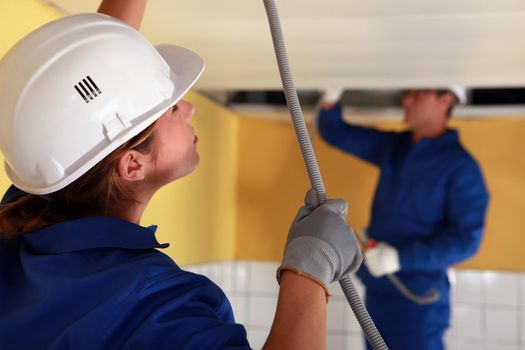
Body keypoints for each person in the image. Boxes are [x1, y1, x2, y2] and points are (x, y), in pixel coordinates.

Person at [0, 1, 363, 349]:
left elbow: (94, 81)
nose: (189, 108)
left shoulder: (34, 209)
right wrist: (310, 269)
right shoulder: (152, 302)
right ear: (132, 165)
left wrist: (310, 266)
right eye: (173, 107)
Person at [317, 88, 489, 349]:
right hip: (380, 288)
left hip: (417, 297)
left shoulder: (461, 168)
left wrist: (401, 257)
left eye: (418, 94)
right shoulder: (397, 148)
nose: (405, 100)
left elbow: (466, 242)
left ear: (445, 101)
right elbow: (337, 133)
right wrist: (330, 95)